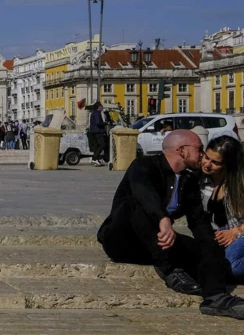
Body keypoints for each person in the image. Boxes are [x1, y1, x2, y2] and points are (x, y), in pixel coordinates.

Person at [97, 129, 244, 320]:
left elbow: (198, 221)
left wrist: (210, 251)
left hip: (158, 244)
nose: (202, 156)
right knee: (134, 203)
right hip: (122, 241)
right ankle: (170, 269)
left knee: (207, 246)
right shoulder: (144, 165)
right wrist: (162, 218)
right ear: (182, 150)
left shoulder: (189, 180)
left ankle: (215, 298)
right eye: (199, 149)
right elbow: (143, 191)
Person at [199, 136, 244, 281]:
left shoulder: (240, 183)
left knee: (232, 265)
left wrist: (235, 232)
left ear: (227, 165)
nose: (207, 164)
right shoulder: (202, 180)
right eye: (206, 157)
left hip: (239, 232)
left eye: (215, 162)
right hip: (217, 236)